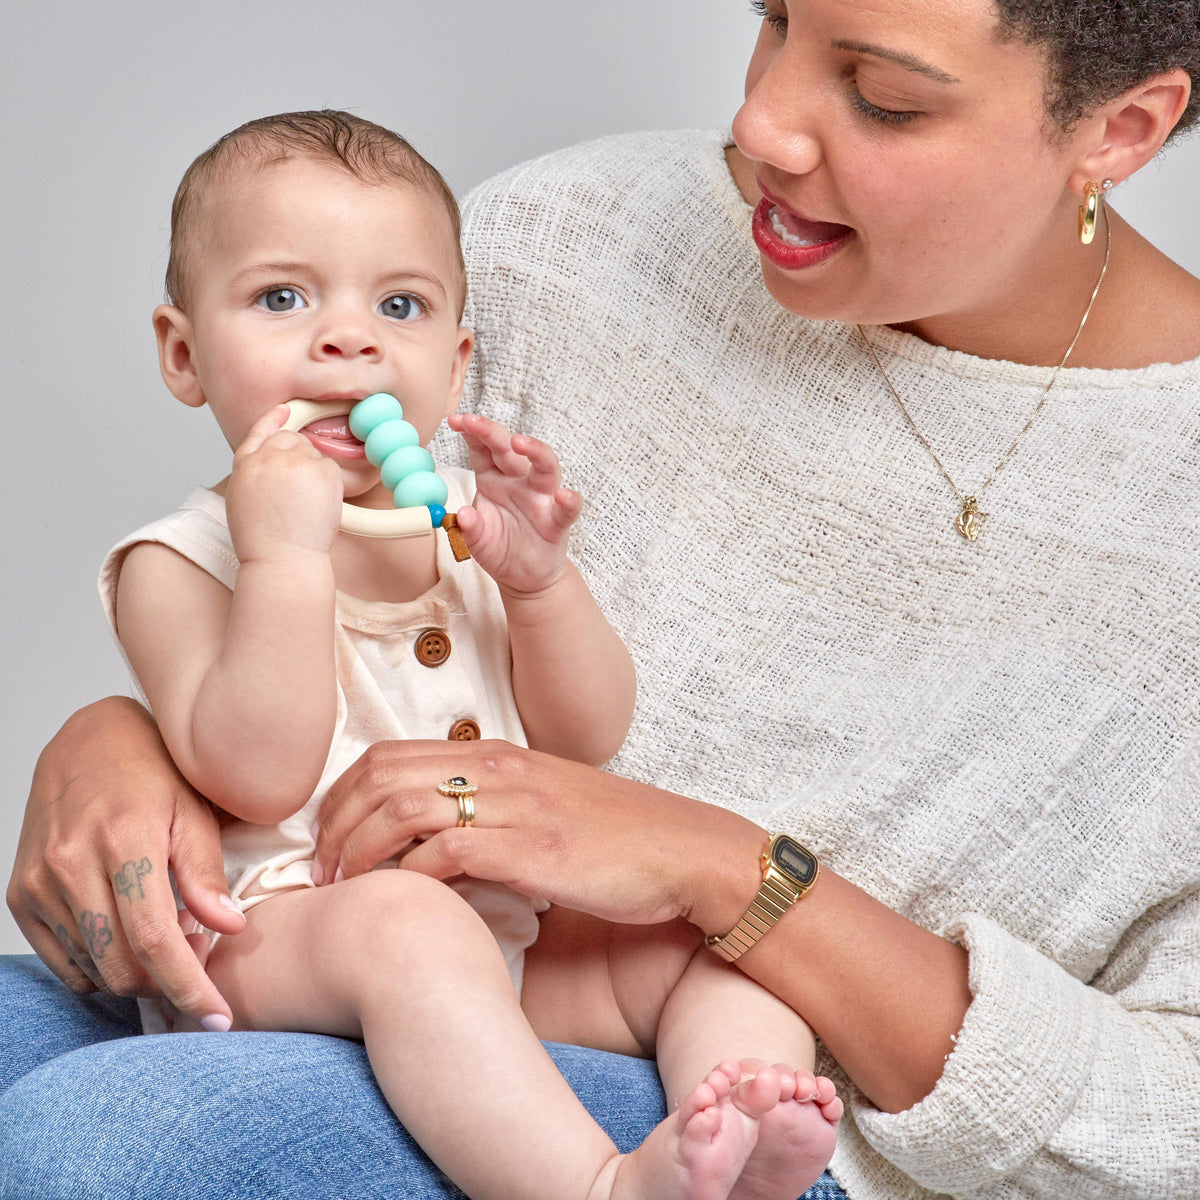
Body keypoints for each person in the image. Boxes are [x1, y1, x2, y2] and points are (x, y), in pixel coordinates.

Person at [5, 1, 1200, 1197]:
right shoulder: (562, 237)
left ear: (1123, 128)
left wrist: (729, 874)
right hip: (407, 956)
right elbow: (294, 664)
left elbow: (1175, 1125)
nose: (759, 123)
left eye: (883, 94)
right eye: (774, 19)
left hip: (820, 1115)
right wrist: (115, 745)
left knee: (110, 1136)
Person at [72, 108, 843, 1200]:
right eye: (283, 298)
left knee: (699, 945)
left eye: (401, 305)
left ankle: (738, 1124)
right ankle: (598, 1189)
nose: (350, 338)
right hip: (282, 938)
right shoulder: (184, 558)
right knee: (405, 924)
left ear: (457, 356)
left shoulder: (463, 528)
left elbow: (586, 737)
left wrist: (538, 584)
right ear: (185, 354)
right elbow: (255, 772)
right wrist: (285, 556)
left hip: (493, 951)